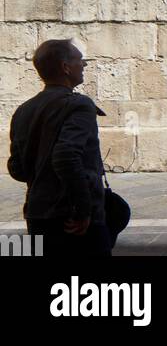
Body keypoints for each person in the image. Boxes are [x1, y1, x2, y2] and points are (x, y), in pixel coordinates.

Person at [7, 38, 113, 258]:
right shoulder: (79, 105)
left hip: (37, 215)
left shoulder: (23, 110)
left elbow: (17, 169)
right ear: (65, 67)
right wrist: (84, 210)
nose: (83, 65)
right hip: (72, 219)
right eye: (80, 60)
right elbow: (66, 156)